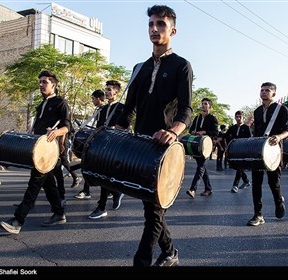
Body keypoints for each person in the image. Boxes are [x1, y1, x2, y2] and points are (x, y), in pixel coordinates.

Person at [115, 4, 192, 266]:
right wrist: (117, 130)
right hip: (140, 146)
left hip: (166, 148)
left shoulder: (182, 65)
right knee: (152, 208)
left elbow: (186, 109)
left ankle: (142, 261)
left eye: (161, 24)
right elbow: (129, 108)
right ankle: (170, 252)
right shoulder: (139, 68)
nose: (154, 29)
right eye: (151, 24)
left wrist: (173, 131)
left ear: (173, 30)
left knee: (154, 211)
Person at [0, 70, 70, 234]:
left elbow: (67, 126)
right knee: (49, 184)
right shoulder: (42, 103)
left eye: (45, 82)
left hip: (48, 152)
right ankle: (59, 213)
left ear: (54, 84)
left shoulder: (61, 103)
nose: (41, 85)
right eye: (40, 82)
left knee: (34, 185)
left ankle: (18, 220)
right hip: (38, 150)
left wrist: (56, 132)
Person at [247, 82, 288, 226]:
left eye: (267, 90)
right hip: (259, 151)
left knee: (274, 182)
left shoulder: (281, 109)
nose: (264, 92)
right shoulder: (257, 111)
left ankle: (278, 202)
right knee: (256, 183)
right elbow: (257, 131)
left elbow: (287, 130)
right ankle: (258, 214)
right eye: (262, 90)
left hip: (274, 151)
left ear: (274, 94)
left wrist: (278, 137)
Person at [88, 80, 125, 219]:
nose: (107, 91)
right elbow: (98, 127)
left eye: (110, 89)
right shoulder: (102, 109)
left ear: (116, 92)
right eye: (106, 89)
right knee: (104, 174)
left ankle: (102, 206)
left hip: (115, 146)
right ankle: (116, 193)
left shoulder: (122, 108)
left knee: (105, 174)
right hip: (103, 145)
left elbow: (124, 126)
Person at [74, 89, 105, 200]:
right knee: (90, 166)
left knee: (89, 166)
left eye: (93, 98)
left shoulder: (103, 109)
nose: (92, 101)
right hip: (98, 140)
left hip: (100, 142)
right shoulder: (99, 109)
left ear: (98, 98)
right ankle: (87, 190)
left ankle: (87, 191)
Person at [186, 98, 218, 198]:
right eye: (202, 104)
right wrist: (193, 132)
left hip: (207, 146)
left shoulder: (213, 118)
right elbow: (191, 130)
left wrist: (204, 132)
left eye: (205, 104)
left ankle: (193, 189)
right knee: (202, 167)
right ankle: (208, 188)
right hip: (197, 145)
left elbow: (215, 132)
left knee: (200, 167)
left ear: (210, 106)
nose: (203, 105)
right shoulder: (197, 118)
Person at [225, 110, 252, 193]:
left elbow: (249, 139)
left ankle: (235, 185)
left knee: (240, 167)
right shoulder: (232, 128)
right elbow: (226, 136)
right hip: (234, 151)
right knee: (238, 167)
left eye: (240, 117)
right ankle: (246, 181)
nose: (238, 118)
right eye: (237, 117)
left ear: (243, 118)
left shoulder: (246, 128)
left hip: (243, 151)